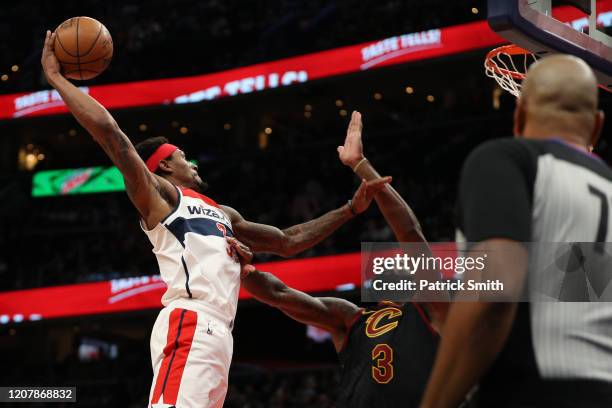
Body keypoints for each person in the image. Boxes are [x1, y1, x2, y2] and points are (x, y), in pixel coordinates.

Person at [41, 32, 389, 408]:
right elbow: (111, 135)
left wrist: (350, 209)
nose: (190, 162)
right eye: (182, 156)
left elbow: (289, 240)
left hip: (219, 334)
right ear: (162, 167)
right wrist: (57, 79)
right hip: (191, 320)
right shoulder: (160, 197)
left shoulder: (222, 213)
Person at [420, 55, 612, 408]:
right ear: (596, 126)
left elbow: (495, 290)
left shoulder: (506, 159)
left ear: (519, 113)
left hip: (534, 391)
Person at [228, 111, 449, 408]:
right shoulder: (355, 318)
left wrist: (361, 165)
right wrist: (243, 272)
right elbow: (279, 295)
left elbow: (277, 295)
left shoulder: (419, 310)